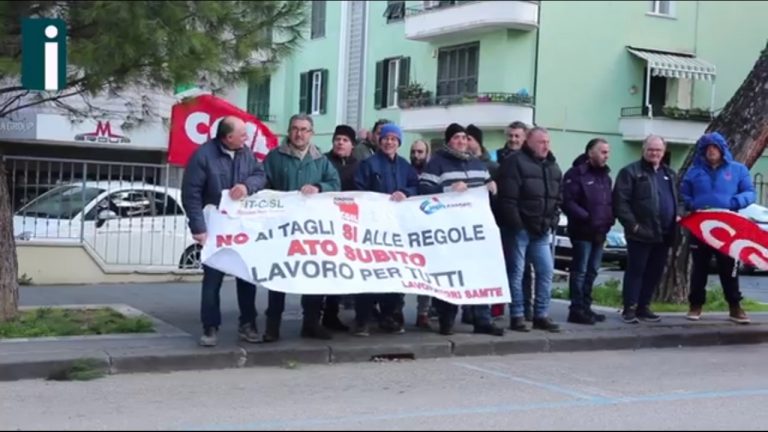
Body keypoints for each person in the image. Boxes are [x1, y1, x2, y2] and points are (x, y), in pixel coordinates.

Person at [181, 116, 267, 347]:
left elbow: (260, 175)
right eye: (242, 134)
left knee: (246, 277)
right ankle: (210, 327)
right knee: (212, 280)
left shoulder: (245, 153)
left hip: (241, 227)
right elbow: (191, 195)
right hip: (214, 228)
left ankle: (248, 324)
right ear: (228, 138)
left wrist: (247, 186)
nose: (247, 138)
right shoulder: (203, 156)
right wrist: (198, 228)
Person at [419, 123, 505, 337]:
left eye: (464, 138)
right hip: (449, 231)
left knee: (480, 273)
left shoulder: (477, 163)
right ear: (449, 141)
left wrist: (491, 187)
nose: (461, 141)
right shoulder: (436, 164)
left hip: (475, 230)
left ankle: (483, 320)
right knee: (450, 276)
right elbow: (424, 192)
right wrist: (447, 190)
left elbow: (485, 187)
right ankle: (447, 320)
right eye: (457, 137)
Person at [262, 114, 341, 341]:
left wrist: (319, 186)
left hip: (311, 231)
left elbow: (335, 185)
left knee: (313, 277)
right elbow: (263, 185)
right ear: (289, 131)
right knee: (278, 277)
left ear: (311, 133)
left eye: (305, 129)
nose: (300, 133)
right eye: (295, 129)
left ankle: (311, 324)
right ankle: (272, 326)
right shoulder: (275, 157)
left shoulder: (321, 160)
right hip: (282, 228)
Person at [681, 132, 755, 324]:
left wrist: (734, 201)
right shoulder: (693, 172)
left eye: (715, 147)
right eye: (707, 148)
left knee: (729, 268)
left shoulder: (738, 170)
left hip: (728, 227)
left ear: (722, 149)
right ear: (702, 151)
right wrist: (692, 204)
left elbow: (750, 193)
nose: (711, 151)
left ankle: (734, 306)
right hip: (701, 226)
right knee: (699, 268)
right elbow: (683, 195)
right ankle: (695, 305)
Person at [351, 123, 418, 336]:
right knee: (369, 275)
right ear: (380, 141)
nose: (389, 142)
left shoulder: (405, 166)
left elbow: (416, 187)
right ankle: (363, 320)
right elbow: (358, 191)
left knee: (395, 275)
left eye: (394, 139)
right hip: (372, 229)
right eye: (386, 138)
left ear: (399, 143)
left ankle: (391, 317)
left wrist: (405, 192)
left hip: (397, 231)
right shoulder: (368, 164)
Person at [496, 127, 562, 333]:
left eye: (547, 142)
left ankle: (540, 314)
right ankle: (517, 315)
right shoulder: (514, 162)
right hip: (520, 229)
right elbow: (507, 198)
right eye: (541, 142)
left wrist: (552, 220)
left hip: (542, 229)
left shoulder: (552, 166)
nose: (545, 146)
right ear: (530, 142)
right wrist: (517, 224)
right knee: (516, 272)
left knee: (545, 271)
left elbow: (558, 197)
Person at [613, 135, 680, 324]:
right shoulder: (630, 172)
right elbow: (620, 202)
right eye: (651, 149)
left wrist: (679, 213)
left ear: (664, 151)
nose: (655, 153)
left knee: (655, 272)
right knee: (636, 271)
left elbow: (679, 199)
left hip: (664, 233)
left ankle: (644, 307)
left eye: (658, 150)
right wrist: (633, 225)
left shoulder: (670, 174)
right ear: (644, 149)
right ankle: (630, 308)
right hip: (640, 233)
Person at [561, 138, 614, 325]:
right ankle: (576, 309)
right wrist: (586, 217)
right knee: (580, 271)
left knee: (592, 271)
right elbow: (567, 201)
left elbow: (609, 202)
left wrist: (609, 220)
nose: (606, 156)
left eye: (607, 152)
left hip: (600, 232)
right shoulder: (576, 174)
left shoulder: (605, 176)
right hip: (582, 231)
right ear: (590, 152)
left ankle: (586, 306)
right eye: (603, 152)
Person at [494, 121, 535, 321]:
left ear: (525, 138)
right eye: (510, 136)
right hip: (500, 220)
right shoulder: (497, 157)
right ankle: (498, 308)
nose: (513, 140)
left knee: (524, 269)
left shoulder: (532, 159)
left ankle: (525, 309)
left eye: (517, 136)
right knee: (501, 267)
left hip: (524, 222)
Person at [323, 124, 362, 331]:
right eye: (337, 139)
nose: (340, 142)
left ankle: (332, 314)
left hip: (349, 226)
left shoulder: (359, 165)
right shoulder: (323, 162)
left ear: (352, 145)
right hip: (326, 225)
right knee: (324, 273)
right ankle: (313, 317)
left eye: (345, 140)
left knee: (340, 273)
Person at [409, 139, 433, 328]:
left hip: (426, 227)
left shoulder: (432, 173)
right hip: (406, 227)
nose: (416, 155)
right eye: (413, 151)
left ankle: (423, 312)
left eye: (420, 152)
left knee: (427, 272)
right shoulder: (404, 170)